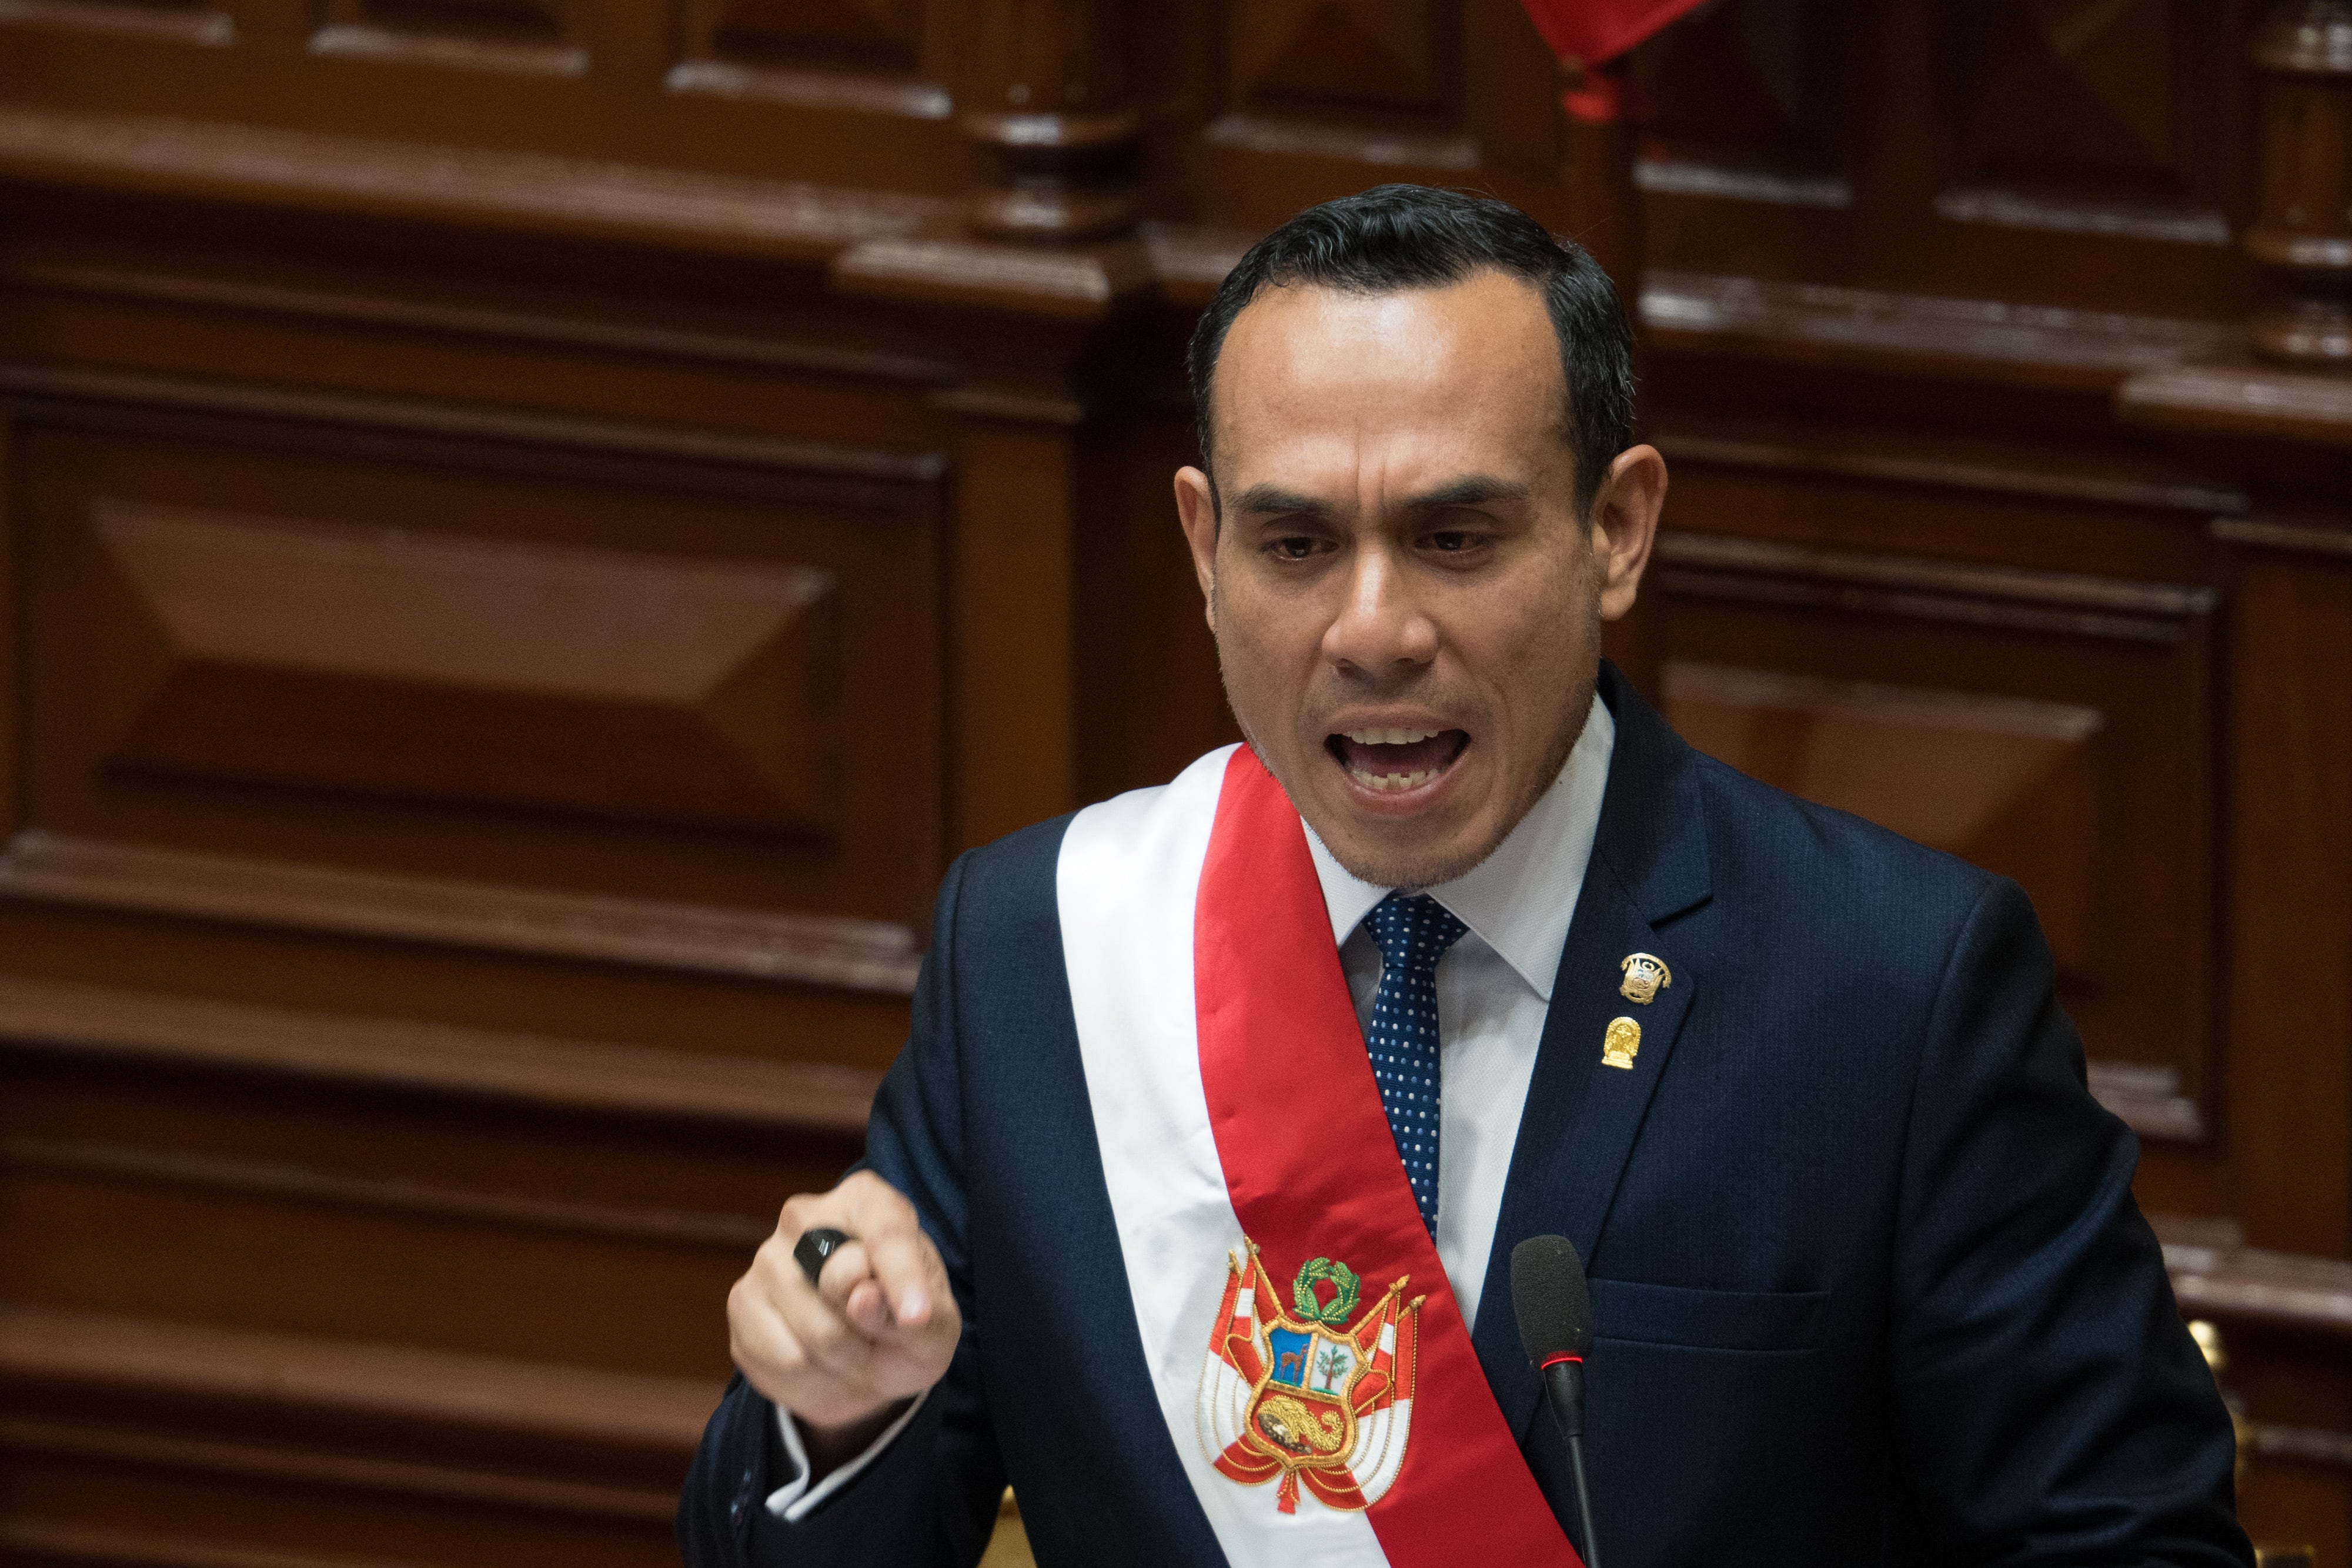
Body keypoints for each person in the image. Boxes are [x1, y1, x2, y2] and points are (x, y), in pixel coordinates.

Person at [679, 185, 2249, 1567]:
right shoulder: (1045, 949)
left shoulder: (1893, 986)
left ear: (1616, 529)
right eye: (1295, 548)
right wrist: (836, 1413)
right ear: (1203, 547)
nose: (1371, 630)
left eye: (1452, 538)